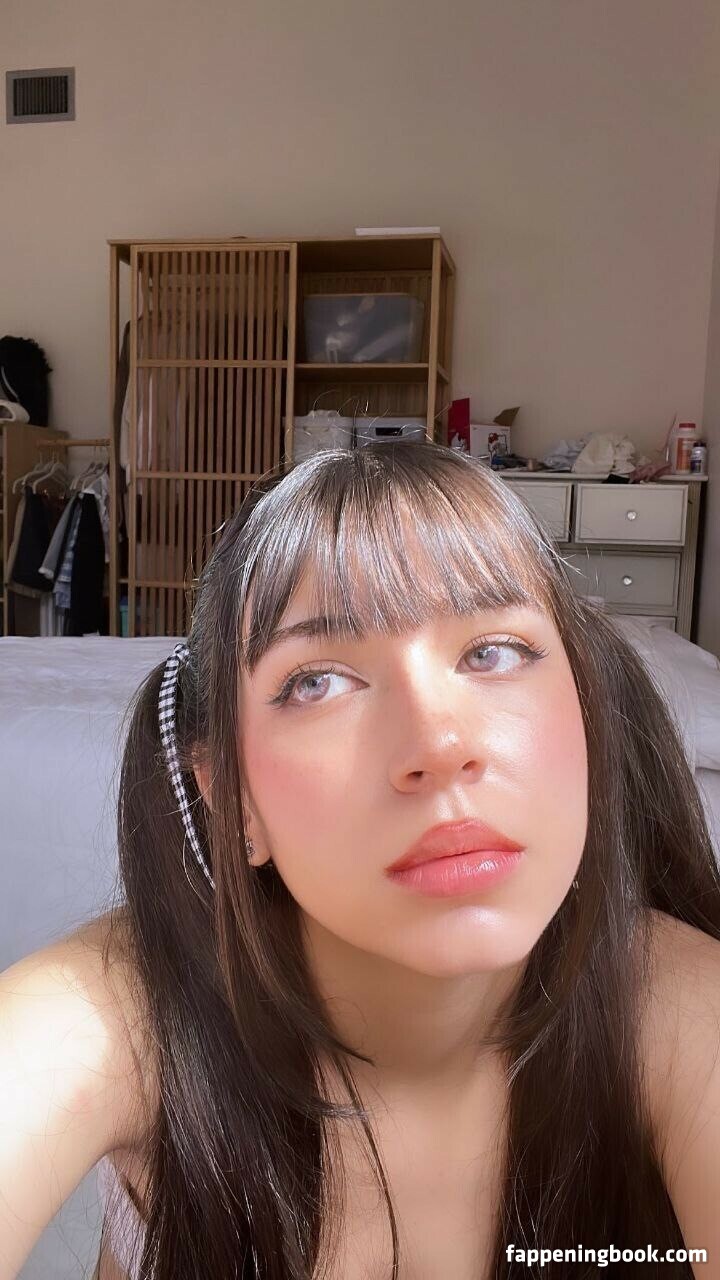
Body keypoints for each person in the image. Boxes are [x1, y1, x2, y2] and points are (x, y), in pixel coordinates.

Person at [1, 438, 720, 1280]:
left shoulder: (676, 1010)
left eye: (492, 651)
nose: (439, 745)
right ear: (231, 799)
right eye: (318, 682)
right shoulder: (122, 1014)